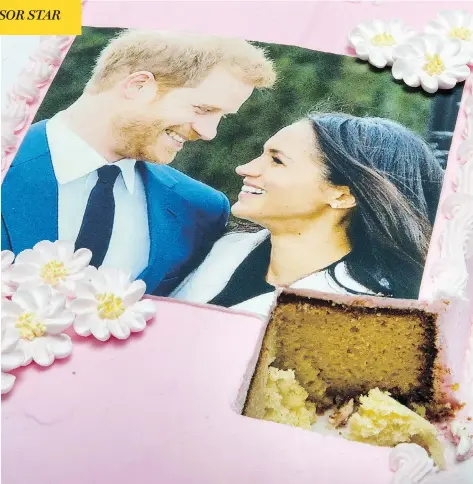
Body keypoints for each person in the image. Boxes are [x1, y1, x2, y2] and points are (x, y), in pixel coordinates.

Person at [1, 29, 276, 296]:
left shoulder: (200, 209)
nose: (209, 132)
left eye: (223, 116)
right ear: (138, 85)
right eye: (202, 109)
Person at [172, 113, 444, 314]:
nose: (244, 168)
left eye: (277, 161)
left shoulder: (368, 312)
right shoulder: (224, 249)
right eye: (262, 155)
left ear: (342, 195)